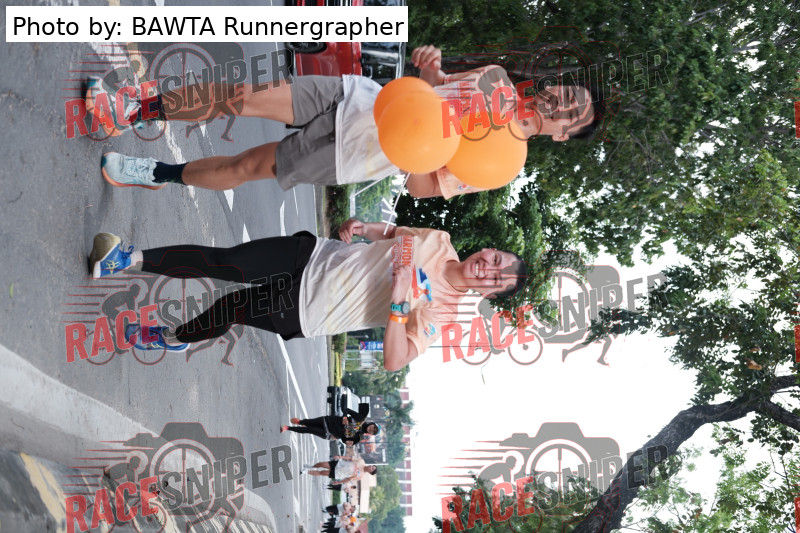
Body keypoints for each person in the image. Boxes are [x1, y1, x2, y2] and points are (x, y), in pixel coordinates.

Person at [88, 45, 602, 199]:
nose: (558, 103)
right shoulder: (495, 79)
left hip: (359, 154)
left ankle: (154, 174)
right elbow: (437, 86)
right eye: (566, 93)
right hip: (360, 98)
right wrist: (430, 69)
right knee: (240, 95)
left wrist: (430, 145)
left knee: (246, 166)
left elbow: (421, 187)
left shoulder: (503, 165)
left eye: (568, 114)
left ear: (561, 135)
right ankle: (130, 111)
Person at [87, 217, 527, 370]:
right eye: (495, 259)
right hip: (314, 256)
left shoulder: (445, 311)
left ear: (491, 294)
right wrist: (365, 228)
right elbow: (397, 233)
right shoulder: (441, 241)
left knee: (229, 306)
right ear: (488, 250)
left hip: (309, 308)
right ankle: (127, 258)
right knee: (227, 262)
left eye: (497, 278)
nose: (488, 268)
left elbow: (396, 359)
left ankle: (176, 337)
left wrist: (398, 303)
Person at [280, 414, 380, 446]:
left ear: (371, 433)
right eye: (373, 427)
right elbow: (346, 412)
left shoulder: (360, 436)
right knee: (308, 422)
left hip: (330, 433)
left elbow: (345, 440)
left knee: (309, 430)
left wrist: (347, 441)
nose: (371, 429)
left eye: (373, 431)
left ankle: (287, 428)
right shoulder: (360, 418)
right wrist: (345, 418)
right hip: (329, 421)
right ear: (372, 424)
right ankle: (301, 422)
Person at [304, 456, 377, 485]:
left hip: (339, 473)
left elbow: (349, 479)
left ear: (370, 472)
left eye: (372, 468)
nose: (371, 467)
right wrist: (340, 457)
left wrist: (339, 482)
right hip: (339, 464)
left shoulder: (360, 476)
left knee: (322, 473)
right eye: (372, 466)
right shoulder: (361, 461)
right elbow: (350, 458)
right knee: (322, 464)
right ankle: (312, 466)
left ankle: (306, 472)